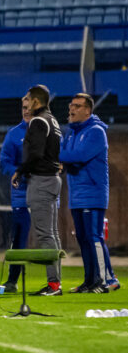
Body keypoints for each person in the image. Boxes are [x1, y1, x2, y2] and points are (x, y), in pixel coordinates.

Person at [60, 93, 120, 293]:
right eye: (71, 105)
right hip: (76, 194)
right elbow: (67, 156)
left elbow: (79, 156)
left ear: (88, 110)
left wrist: (58, 156)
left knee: (94, 237)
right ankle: (90, 280)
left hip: (93, 193)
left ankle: (108, 280)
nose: (72, 109)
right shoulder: (71, 133)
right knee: (83, 239)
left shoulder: (96, 132)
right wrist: (64, 158)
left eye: (77, 106)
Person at [12, 85, 63, 296]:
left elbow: (35, 153)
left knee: (45, 235)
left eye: (27, 99)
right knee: (53, 233)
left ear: (35, 101)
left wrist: (20, 171)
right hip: (52, 179)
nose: (24, 103)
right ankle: (56, 282)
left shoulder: (38, 121)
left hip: (42, 181)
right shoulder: (53, 120)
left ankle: (53, 285)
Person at [0, 95, 32, 293]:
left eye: (29, 107)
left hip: (44, 193)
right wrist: (17, 171)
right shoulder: (14, 134)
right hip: (21, 194)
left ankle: (54, 282)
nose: (26, 111)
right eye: (23, 107)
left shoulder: (49, 131)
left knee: (50, 237)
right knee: (18, 238)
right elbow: (4, 163)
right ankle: (12, 280)